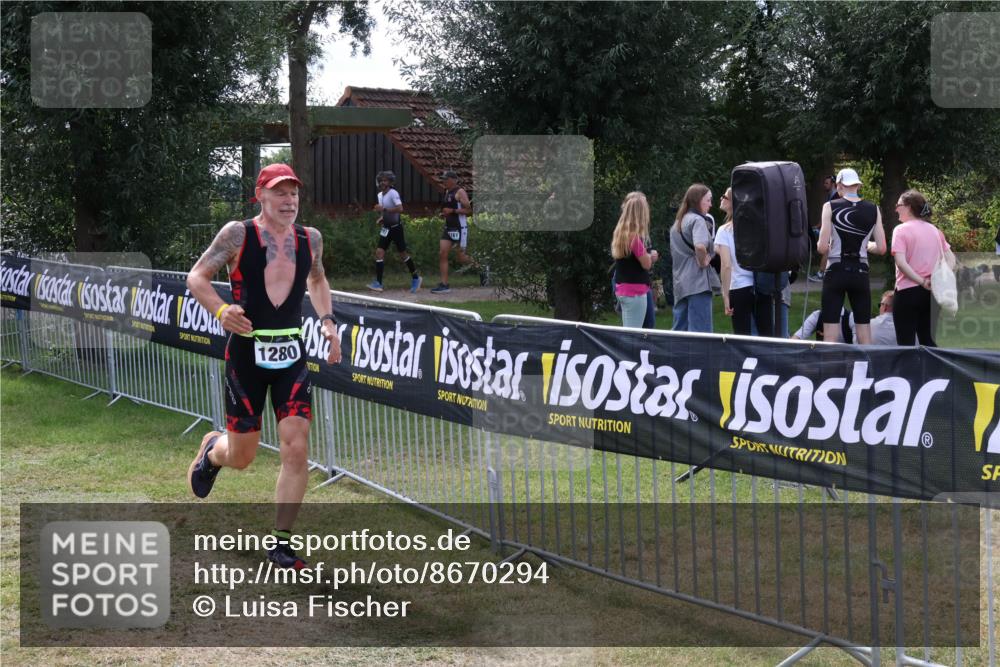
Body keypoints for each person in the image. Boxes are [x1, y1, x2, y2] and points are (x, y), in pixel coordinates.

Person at [185, 163, 342, 570]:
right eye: (280, 193)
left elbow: (318, 280)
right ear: (261, 196)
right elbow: (197, 277)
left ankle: (281, 545)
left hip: (291, 355)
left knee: (297, 448)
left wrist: (328, 322)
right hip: (246, 357)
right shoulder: (238, 234)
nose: (289, 202)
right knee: (242, 457)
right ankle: (211, 452)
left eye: (294, 194)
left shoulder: (311, 238)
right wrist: (221, 310)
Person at [817, 168, 886, 345]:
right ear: (857, 185)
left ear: (839, 185)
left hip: (836, 270)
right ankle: (867, 372)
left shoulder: (830, 206)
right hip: (860, 272)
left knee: (830, 336)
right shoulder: (874, 209)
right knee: (864, 334)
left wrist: (829, 244)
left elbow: (822, 247)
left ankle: (830, 372)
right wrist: (866, 245)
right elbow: (882, 248)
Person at [891, 189, 955, 347]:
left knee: (905, 343)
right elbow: (951, 258)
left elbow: (901, 262)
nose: (895, 209)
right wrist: (938, 278)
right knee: (929, 341)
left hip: (907, 292)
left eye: (898, 205)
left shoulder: (900, 230)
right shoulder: (935, 230)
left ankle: (908, 373)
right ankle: (935, 372)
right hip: (932, 293)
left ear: (908, 206)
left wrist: (921, 281)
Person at [670, 184, 719, 333]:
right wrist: (703, 261)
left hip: (680, 284)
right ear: (698, 200)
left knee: (680, 332)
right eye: (708, 200)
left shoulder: (677, 223)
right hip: (698, 283)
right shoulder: (697, 220)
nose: (711, 204)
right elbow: (699, 246)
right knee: (701, 334)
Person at [368, 170, 421, 293]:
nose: (382, 182)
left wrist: (384, 209)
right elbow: (385, 212)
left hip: (396, 228)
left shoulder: (393, 193)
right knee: (379, 252)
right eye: (381, 180)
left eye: (385, 180)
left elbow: (400, 208)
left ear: (390, 182)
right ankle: (379, 283)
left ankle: (416, 278)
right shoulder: (380, 195)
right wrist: (382, 217)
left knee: (403, 254)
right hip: (386, 228)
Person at [610, 192, 658, 327]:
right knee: (633, 335)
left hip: (624, 288)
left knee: (631, 330)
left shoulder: (622, 233)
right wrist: (651, 256)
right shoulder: (634, 238)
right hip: (635, 291)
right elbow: (646, 264)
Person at [715, 187, 756, 335]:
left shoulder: (724, 231)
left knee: (742, 335)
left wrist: (725, 296)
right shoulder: (753, 227)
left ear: (734, 203)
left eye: (724, 197)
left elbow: (726, 265)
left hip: (738, 286)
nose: (721, 199)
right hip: (756, 284)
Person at [431, 170, 475, 294]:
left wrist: (453, 211)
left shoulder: (460, 192)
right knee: (442, 253)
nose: (444, 181)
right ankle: (444, 284)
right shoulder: (447, 192)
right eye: (443, 179)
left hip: (460, 228)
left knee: (461, 257)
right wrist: (444, 213)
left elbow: (468, 210)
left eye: (446, 179)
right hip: (448, 228)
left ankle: (483, 269)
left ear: (453, 180)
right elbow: (449, 209)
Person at [808, 175, 838, 282]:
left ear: (833, 184)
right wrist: (818, 225)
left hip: (834, 229)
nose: (824, 185)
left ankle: (821, 273)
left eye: (827, 183)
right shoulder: (831, 196)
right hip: (831, 228)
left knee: (827, 249)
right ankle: (825, 272)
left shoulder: (836, 197)